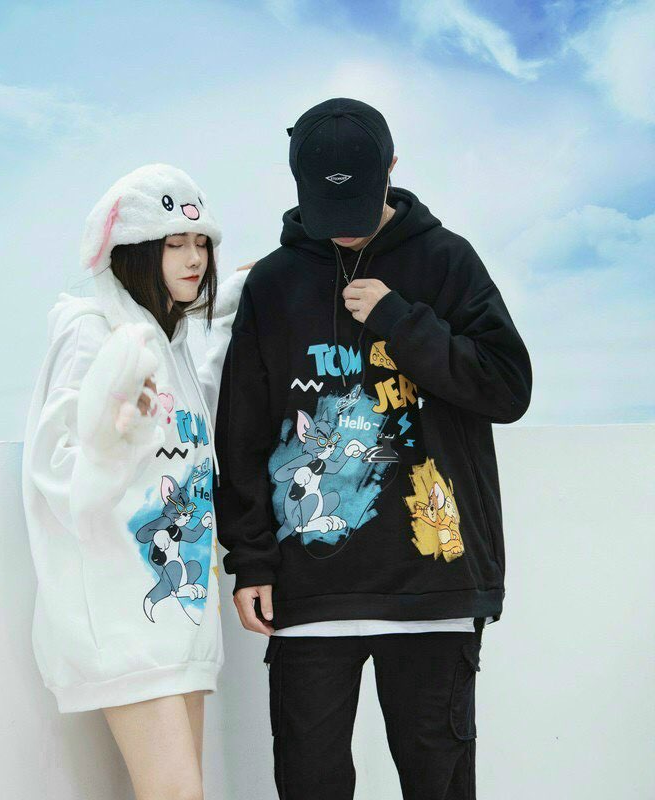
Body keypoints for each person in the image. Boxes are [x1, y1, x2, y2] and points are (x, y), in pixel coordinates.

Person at [214, 98, 533, 800]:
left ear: (391, 167)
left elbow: (508, 389)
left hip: (433, 581)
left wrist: (398, 319)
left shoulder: (446, 261)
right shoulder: (274, 282)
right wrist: (251, 559)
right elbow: (241, 432)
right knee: (309, 781)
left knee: (438, 783)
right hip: (306, 587)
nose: (342, 227)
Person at [21, 163, 249, 800]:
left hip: (180, 618)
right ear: (133, 251)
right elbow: (55, 463)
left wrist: (233, 305)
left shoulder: (172, 341)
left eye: (201, 242)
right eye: (174, 243)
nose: (194, 258)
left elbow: (196, 423)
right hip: (121, 615)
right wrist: (109, 442)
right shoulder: (93, 331)